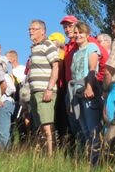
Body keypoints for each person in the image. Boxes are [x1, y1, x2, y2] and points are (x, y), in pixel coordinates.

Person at [69, 21, 103, 163]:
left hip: (87, 90)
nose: (78, 35)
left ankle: (96, 162)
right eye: (75, 33)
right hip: (76, 92)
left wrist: (89, 86)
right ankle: (90, 160)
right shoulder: (76, 53)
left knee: (93, 128)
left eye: (80, 32)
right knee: (84, 129)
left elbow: (92, 69)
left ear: (87, 34)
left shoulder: (92, 47)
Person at [27, 20, 61, 155]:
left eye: (34, 29)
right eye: (29, 29)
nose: (31, 31)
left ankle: (51, 155)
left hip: (44, 91)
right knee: (40, 125)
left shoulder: (48, 45)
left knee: (47, 125)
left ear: (43, 31)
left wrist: (49, 89)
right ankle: (44, 153)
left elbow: (56, 66)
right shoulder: (35, 47)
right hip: (35, 91)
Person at [0, 42, 17, 149]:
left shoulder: (3, 65)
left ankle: (4, 154)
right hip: (1, 102)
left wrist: (0, 95)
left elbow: (10, 88)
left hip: (5, 102)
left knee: (3, 131)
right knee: (1, 130)